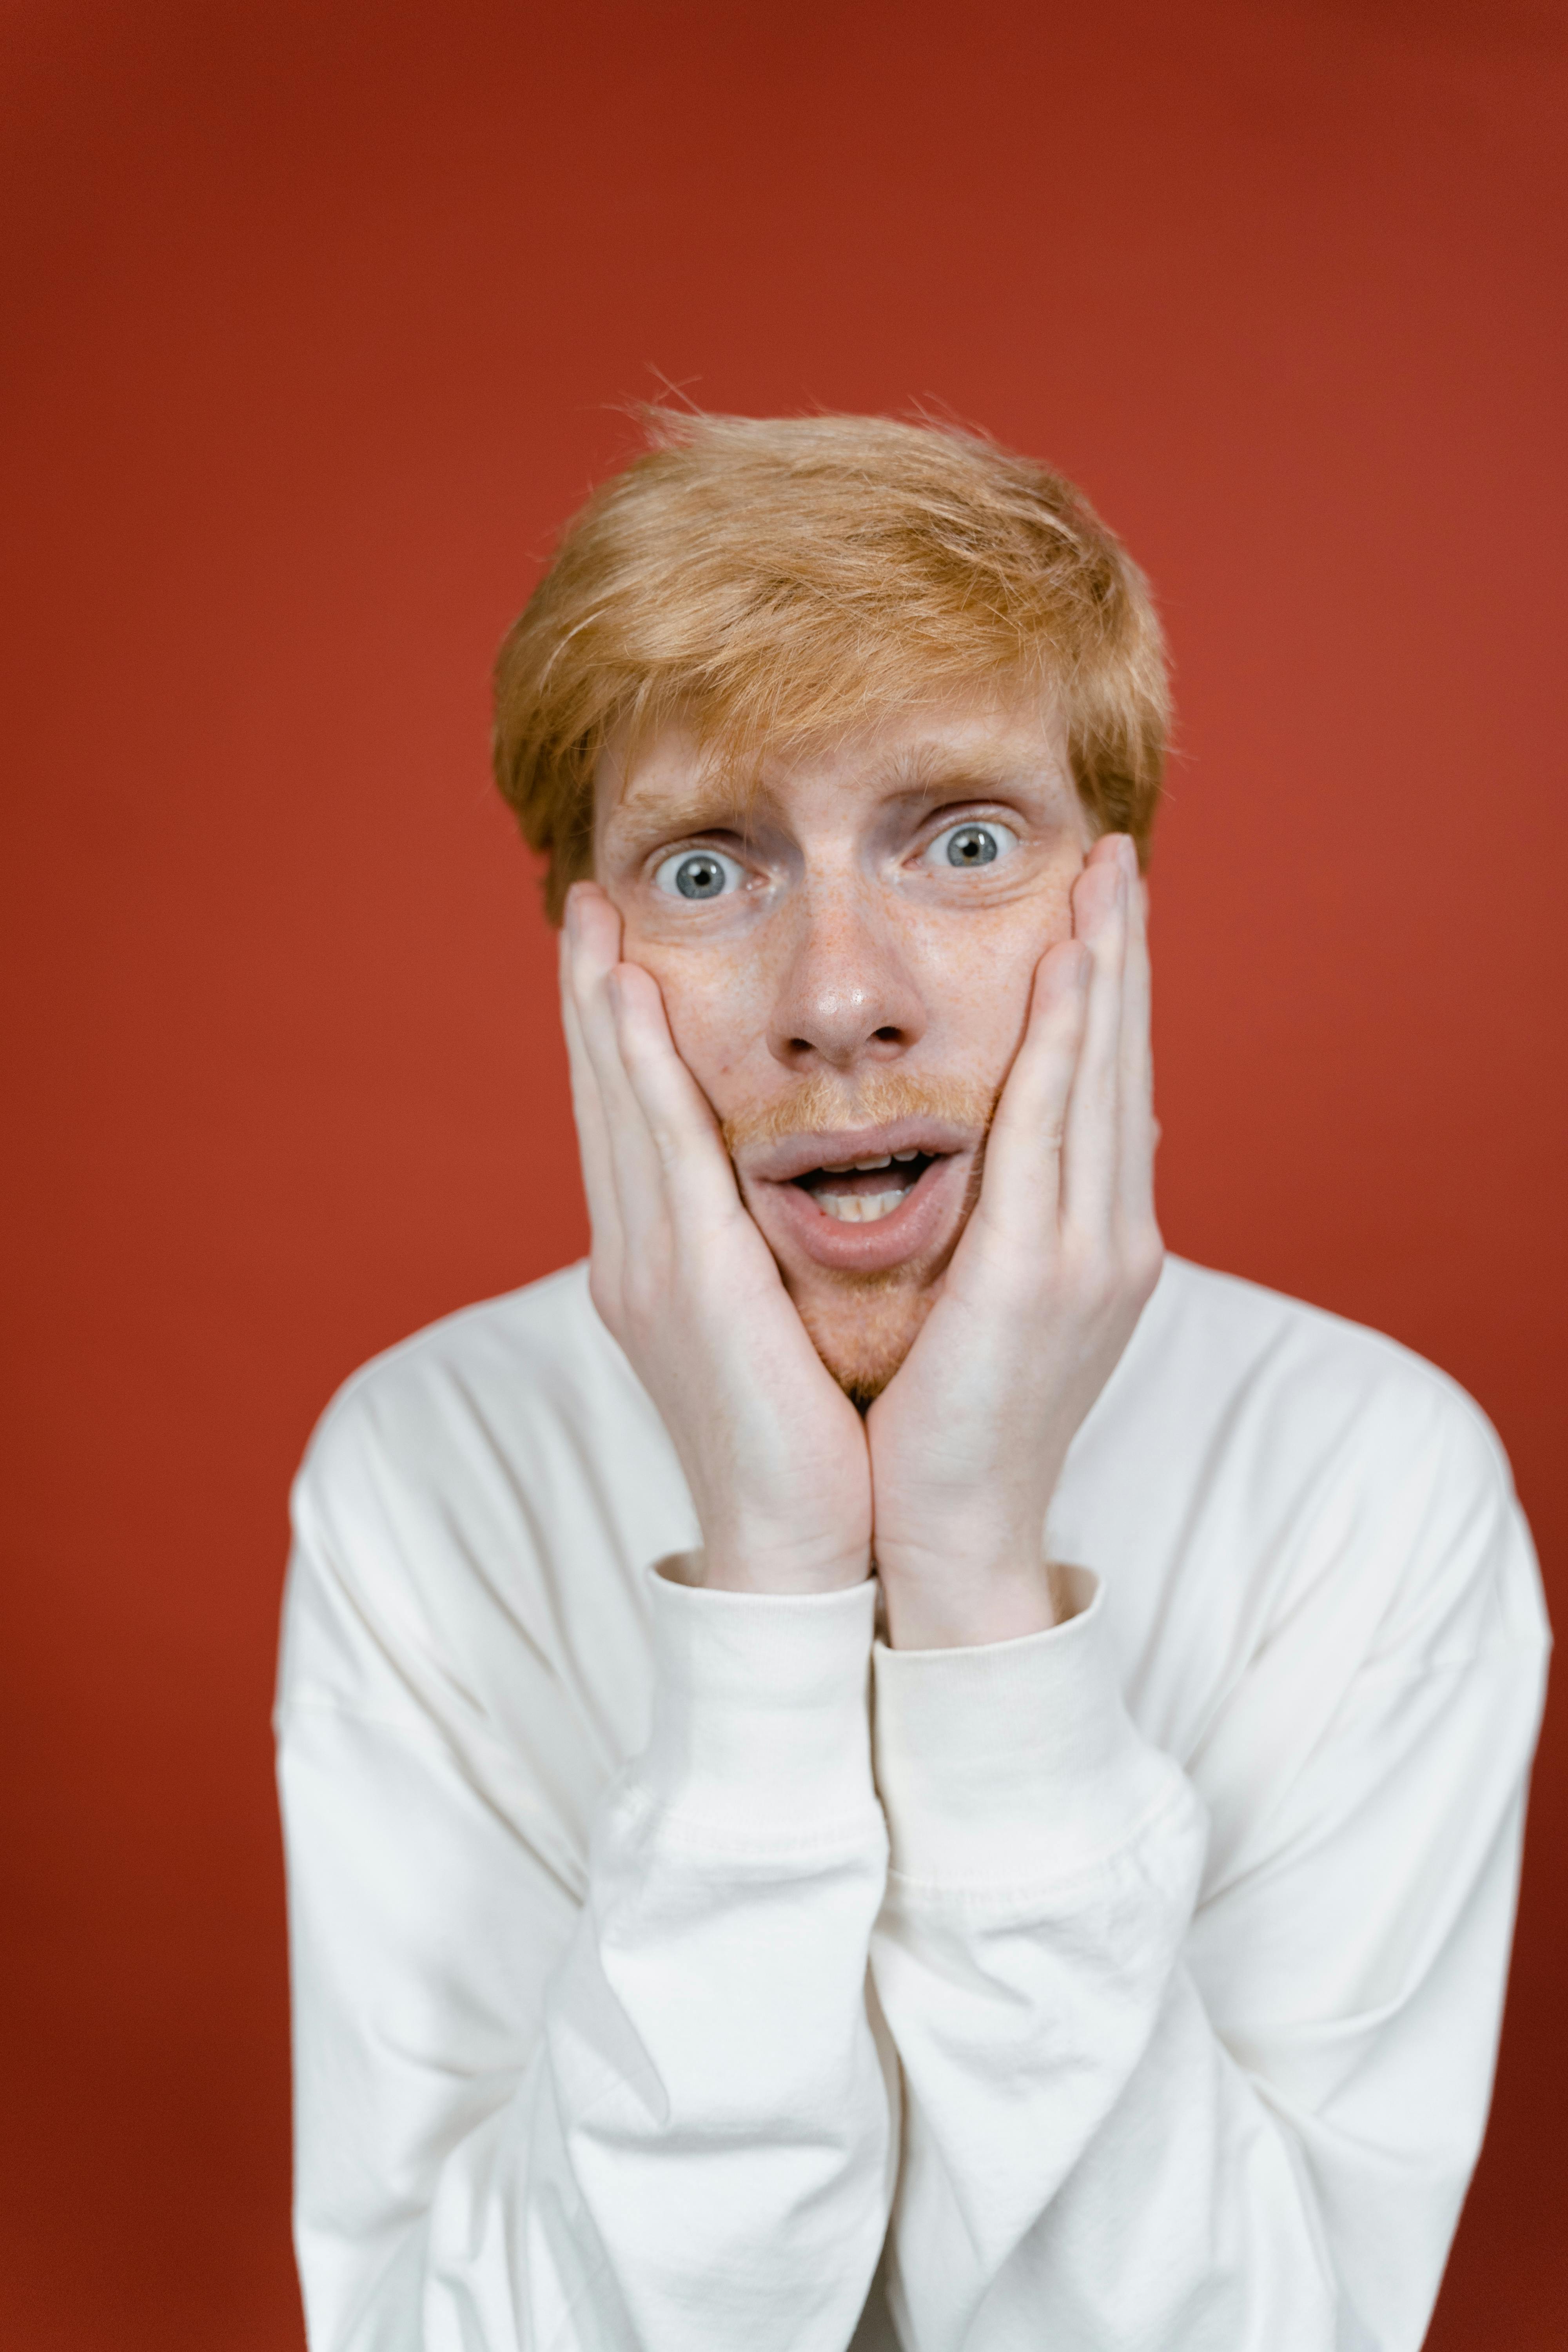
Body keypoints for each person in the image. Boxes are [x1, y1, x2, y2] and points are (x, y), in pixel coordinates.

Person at [274, 412, 1548, 2352]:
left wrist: (970, 1582)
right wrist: (774, 1592)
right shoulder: (426, 1467)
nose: (838, 994)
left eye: (962, 842)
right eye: (708, 871)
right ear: (579, 958)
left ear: (1107, 911)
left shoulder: (1371, 1481)